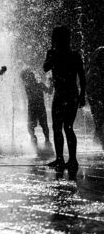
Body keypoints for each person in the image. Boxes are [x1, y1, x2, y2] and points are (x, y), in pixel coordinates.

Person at [43, 26, 85, 171]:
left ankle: (70, 159)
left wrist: (82, 95)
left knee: (65, 127)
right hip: (65, 94)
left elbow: (81, 75)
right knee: (60, 127)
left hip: (66, 94)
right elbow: (45, 68)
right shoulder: (55, 53)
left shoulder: (74, 55)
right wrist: (82, 95)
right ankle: (62, 159)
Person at [20, 69, 53, 145]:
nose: (32, 78)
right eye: (30, 77)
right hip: (39, 107)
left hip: (33, 108)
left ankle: (36, 138)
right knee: (42, 125)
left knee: (33, 126)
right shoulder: (37, 85)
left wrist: (51, 82)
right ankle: (45, 140)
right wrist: (51, 82)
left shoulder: (28, 87)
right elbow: (50, 91)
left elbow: (50, 91)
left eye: (32, 77)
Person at [87, 47, 104, 148]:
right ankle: (100, 144)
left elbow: (88, 88)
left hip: (95, 100)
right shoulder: (94, 71)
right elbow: (89, 88)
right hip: (97, 99)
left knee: (99, 121)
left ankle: (98, 142)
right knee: (99, 121)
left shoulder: (92, 70)